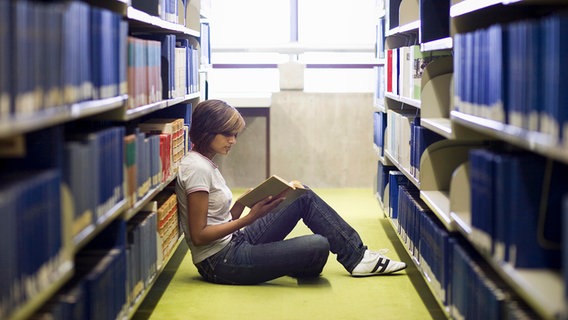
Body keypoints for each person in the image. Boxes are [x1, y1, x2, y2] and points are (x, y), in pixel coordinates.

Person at [175, 99, 406, 285]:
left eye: (235, 134)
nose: (233, 141)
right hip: (220, 262)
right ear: (208, 131)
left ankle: (358, 256)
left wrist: (243, 203)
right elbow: (199, 236)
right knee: (318, 245)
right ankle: (294, 261)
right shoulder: (197, 168)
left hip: (234, 242)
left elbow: (217, 220)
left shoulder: (204, 162)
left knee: (302, 195)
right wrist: (250, 217)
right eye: (227, 134)